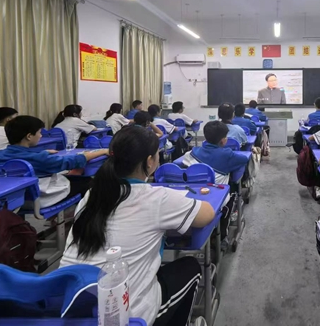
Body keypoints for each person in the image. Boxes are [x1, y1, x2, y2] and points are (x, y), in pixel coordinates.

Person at [60, 126, 214, 326]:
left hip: (69, 308)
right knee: (190, 266)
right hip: (126, 315)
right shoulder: (157, 198)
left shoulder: (92, 194)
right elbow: (207, 214)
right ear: (150, 161)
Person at [0, 116, 108, 207]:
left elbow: (24, 155)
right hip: (38, 199)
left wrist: (44, 152)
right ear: (29, 136)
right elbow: (73, 161)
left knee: (71, 177)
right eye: (39, 132)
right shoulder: (40, 159)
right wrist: (102, 151)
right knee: (88, 182)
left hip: (13, 199)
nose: (41, 136)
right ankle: (82, 219)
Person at [183, 121, 250, 185]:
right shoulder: (227, 155)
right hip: (217, 189)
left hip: (194, 188)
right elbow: (245, 159)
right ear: (223, 140)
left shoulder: (193, 152)